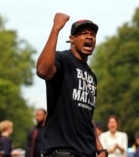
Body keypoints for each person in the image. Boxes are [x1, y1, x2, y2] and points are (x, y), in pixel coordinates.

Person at [36, 12, 107, 157]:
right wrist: (56, 29)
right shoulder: (63, 59)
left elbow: (86, 117)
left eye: (93, 35)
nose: (89, 37)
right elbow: (43, 70)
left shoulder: (91, 76)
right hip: (63, 152)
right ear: (72, 39)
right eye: (84, 33)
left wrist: (100, 149)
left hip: (87, 153)